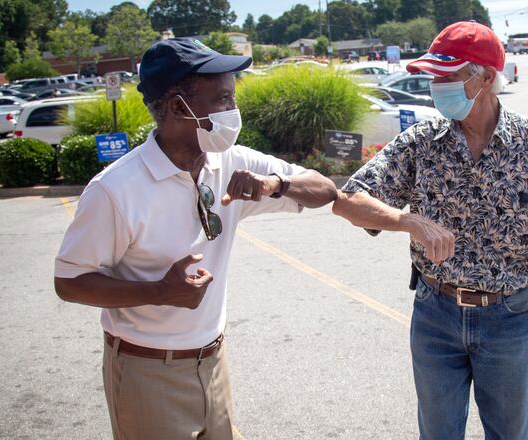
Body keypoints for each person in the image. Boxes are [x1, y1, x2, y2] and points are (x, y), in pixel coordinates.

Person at [53, 38, 337, 440]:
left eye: (232, 98)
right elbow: (68, 282)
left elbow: (324, 190)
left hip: (213, 362)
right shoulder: (115, 191)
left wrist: (275, 183)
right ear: (175, 108)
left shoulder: (231, 161)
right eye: (222, 99)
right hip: (147, 373)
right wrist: (159, 292)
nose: (232, 112)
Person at [332, 21, 528, 440]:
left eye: (447, 76)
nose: (436, 86)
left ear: (487, 77)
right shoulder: (421, 142)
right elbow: (348, 201)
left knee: (510, 434)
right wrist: (406, 220)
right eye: (434, 76)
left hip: (509, 317)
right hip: (435, 313)